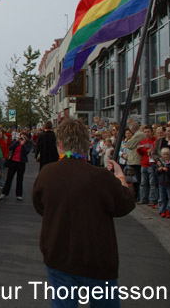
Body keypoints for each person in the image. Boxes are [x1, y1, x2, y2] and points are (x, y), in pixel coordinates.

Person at [32, 117, 135, 308]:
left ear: (60, 143)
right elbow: (125, 203)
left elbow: (40, 207)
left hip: (59, 254)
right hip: (97, 258)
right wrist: (120, 177)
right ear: (86, 144)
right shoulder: (101, 176)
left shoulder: (47, 173)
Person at [0, 132, 32, 201]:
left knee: (20, 178)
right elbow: (10, 148)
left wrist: (23, 144)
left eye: (24, 137)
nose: (22, 138)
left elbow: (26, 152)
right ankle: (4, 193)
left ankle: (19, 194)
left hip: (21, 162)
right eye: (22, 136)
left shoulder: (28, 143)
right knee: (9, 178)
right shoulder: (16, 142)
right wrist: (16, 141)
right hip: (13, 161)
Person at [137, 125, 157, 206]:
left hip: (151, 164)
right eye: (145, 132)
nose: (147, 133)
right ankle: (143, 198)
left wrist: (150, 149)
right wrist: (139, 149)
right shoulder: (143, 141)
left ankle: (152, 199)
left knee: (152, 183)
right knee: (143, 183)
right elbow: (141, 153)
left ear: (152, 132)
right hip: (144, 163)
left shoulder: (155, 141)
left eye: (148, 132)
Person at [126, 120, 145, 203]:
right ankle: (138, 195)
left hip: (136, 160)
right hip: (134, 159)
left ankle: (140, 196)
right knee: (137, 179)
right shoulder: (137, 134)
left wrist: (130, 143)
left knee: (139, 179)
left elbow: (129, 145)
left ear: (132, 129)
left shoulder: (139, 135)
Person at [156, 147, 170, 219]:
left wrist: (168, 170)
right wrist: (159, 170)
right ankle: (162, 210)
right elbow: (156, 173)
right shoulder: (160, 162)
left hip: (169, 183)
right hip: (161, 183)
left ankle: (169, 210)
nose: (165, 156)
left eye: (167, 154)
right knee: (161, 198)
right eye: (164, 154)